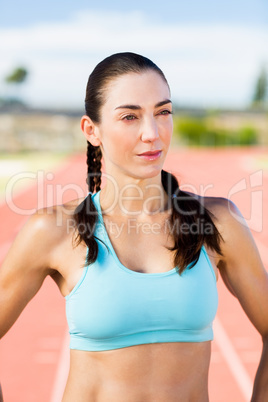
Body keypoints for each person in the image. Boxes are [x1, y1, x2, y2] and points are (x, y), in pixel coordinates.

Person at [0, 52, 267, 402]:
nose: (151, 133)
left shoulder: (219, 223)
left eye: (163, 112)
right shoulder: (52, 230)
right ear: (91, 130)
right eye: (129, 116)